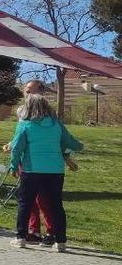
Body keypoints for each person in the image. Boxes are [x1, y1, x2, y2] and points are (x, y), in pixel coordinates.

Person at [8, 93, 83, 251]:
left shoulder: (25, 125)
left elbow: (16, 148)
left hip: (31, 169)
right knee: (56, 205)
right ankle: (60, 241)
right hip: (55, 171)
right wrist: (79, 146)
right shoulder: (57, 124)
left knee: (25, 203)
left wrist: (13, 166)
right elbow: (70, 142)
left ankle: (20, 237)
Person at [5, 80, 54, 243]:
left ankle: (51, 232)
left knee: (43, 198)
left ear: (41, 93)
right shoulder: (21, 111)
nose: (28, 94)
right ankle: (33, 231)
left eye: (32, 91)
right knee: (28, 198)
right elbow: (21, 134)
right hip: (26, 160)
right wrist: (12, 145)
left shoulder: (48, 112)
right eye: (26, 91)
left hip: (42, 161)